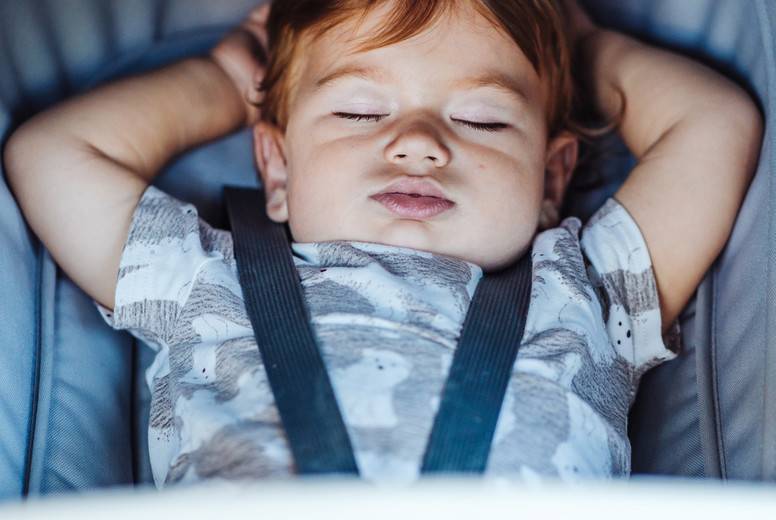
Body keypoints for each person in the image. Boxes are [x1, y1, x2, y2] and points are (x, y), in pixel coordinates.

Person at [4, 0, 762, 487]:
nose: (419, 143)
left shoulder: (589, 290)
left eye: (485, 119)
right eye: (361, 112)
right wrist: (228, 76)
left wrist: (579, 45)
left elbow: (713, 128)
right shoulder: (206, 279)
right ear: (276, 168)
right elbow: (50, 156)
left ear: (551, 180)